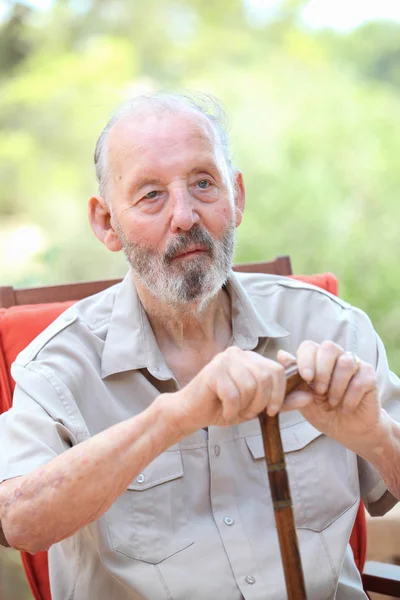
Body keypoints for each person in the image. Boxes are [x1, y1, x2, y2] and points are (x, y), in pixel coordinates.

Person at [0, 92, 399, 600]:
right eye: (151, 195)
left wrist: (377, 434)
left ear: (237, 197)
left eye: (203, 184)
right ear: (106, 223)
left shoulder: (328, 325)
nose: (185, 215)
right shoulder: (56, 365)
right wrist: (172, 417)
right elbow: (19, 522)